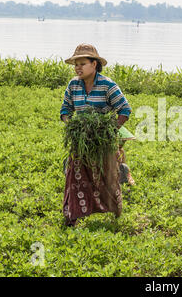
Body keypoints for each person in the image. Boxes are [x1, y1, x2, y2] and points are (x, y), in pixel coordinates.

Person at [60, 43, 133, 226]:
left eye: (82, 63)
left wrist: (110, 130)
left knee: (106, 176)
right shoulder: (73, 85)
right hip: (81, 141)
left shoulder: (107, 85)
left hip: (102, 141)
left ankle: (114, 212)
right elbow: (65, 110)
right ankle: (73, 215)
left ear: (94, 64)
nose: (78, 68)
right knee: (76, 176)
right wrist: (73, 127)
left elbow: (124, 110)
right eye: (76, 64)